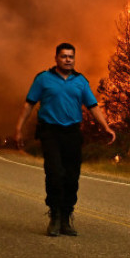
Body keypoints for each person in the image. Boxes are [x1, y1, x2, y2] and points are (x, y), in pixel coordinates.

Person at [14, 43, 115, 237]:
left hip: (72, 134)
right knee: (54, 173)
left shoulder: (80, 81)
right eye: (63, 56)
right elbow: (29, 105)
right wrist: (18, 128)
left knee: (71, 177)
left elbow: (93, 106)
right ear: (56, 58)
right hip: (50, 132)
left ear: (74, 59)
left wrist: (106, 127)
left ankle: (66, 217)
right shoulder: (43, 79)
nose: (68, 59)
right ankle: (55, 217)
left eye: (71, 56)